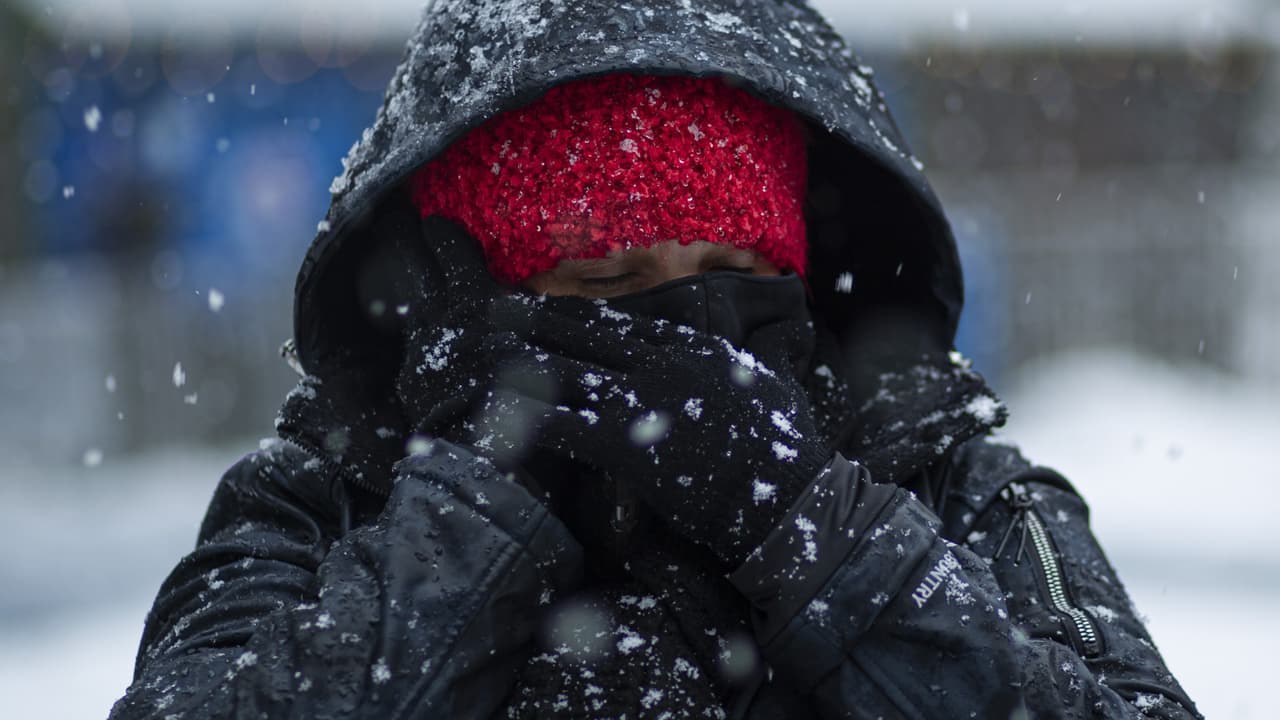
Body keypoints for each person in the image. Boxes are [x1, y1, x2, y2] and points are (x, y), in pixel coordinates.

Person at [110, 1, 1202, 718]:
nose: (690, 334)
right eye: (607, 278)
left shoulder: (946, 485)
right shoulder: (323, 502)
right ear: (470, 294)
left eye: (735, 268)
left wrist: (806, 519)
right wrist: (480, 507)